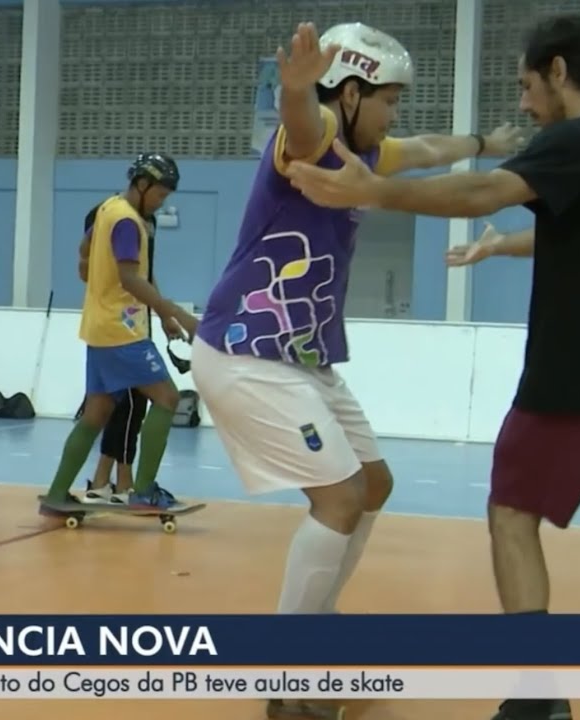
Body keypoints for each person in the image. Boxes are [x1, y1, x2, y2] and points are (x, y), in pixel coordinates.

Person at [284, 14, 580, 720]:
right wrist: (498, 248)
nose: (525, 103)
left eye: (528, 86)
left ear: (559, 73)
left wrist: (372, 192)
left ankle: (539, 696)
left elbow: (480, 191)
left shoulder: (579, 136)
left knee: (511, 514)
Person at [189, 20, 522, 720]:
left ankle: (317, 631)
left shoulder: (369, 148)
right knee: (338, 499)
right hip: (249, 350)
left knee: (373, 483)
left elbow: (430, 148)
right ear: (348, 91)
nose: (395, 114)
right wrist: (294, 87)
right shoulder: (306, 140)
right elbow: (301, 123)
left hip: (303, 358)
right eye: (389, 99)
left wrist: (483, 145)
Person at [40, 153, 197, 516]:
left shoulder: (109, 209)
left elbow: (87, 253)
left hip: (98, 326)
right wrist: (180, 316)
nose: (162, 202)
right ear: (142, 185)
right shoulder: (128, 222)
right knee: (167, 398)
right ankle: (142, 491)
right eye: (159, 195)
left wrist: (99, 279)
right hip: (122, 329)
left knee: (97, 411)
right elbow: (129, 279)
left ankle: (57, 493)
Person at [73, 203, 159, 505]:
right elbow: (131, 278)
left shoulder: (132, 220)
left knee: (109, 406)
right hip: (121, 325)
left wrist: (159, 312)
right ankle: (126, 484)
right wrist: (169, 311)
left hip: (120, 322)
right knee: (136, 402)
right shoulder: (119, 221)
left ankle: (103, 480)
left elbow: (146, 276)